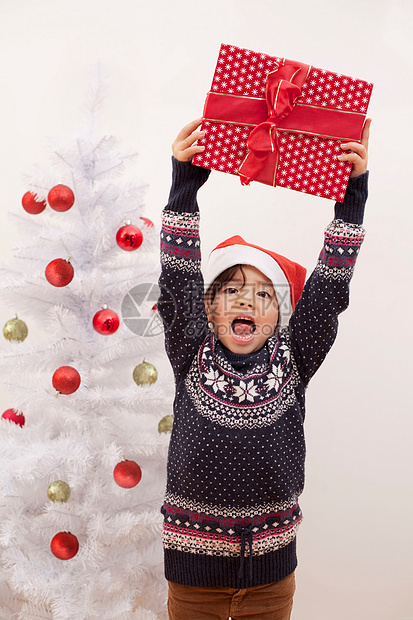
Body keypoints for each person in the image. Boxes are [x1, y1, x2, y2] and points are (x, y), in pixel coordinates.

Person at [158, 117, 371, 620]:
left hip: (273, 578)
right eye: (231, 290)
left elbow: (328, 290)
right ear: (209, 310)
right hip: (192, 578)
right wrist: (184, 188)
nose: (247, 301)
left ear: (281, 316)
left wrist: (351, 196)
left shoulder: (294, 359)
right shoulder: (192, 352)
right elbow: (178, 275)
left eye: (262, 294)